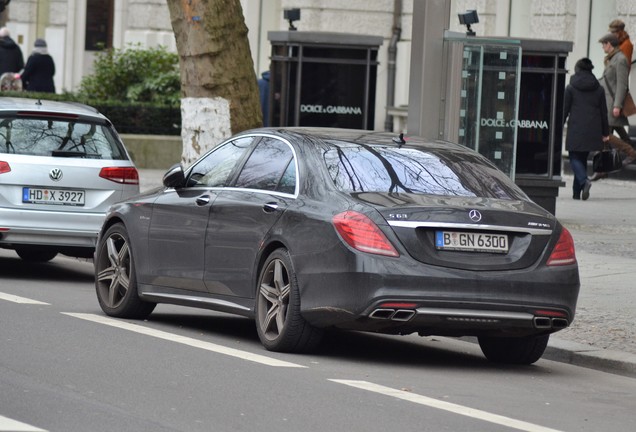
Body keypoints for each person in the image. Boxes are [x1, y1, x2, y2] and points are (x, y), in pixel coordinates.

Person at [592, 32, 636, 181]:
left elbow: (622, 85)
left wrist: (617, 105)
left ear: (609, 44)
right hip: (608, 102)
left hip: (612, 104)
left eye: (603, 44)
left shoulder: (621, 59)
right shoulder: (612, 59)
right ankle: (603, 168)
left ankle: (631, 153)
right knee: (611, 133)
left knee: (604, 134)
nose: (603, 47)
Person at [564, 58, 609, 200]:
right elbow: (603, 112)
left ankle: (584, 181)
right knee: (581, 158)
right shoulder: (599, 88)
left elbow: (564, 110)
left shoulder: (571, 88)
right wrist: (605, 132)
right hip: (593, 129)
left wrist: (558, 125)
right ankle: (577, 193)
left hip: (576, 128)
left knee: (573, 157)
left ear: (577, 69)